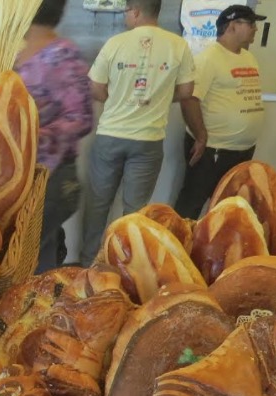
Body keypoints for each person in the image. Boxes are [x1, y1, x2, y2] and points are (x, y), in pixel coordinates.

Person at [81, 0, 195, 265]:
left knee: (98, 205)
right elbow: (188, 92)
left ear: (135, 12)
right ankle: (124, 267)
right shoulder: (178, 45)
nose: (125, 17)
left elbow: (95, 88)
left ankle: (88, 265)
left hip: (110, 135)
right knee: (134, 212)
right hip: (149, 140)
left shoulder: (116, 43)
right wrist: (159, 99)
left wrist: (118, 99)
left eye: (126, 12)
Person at [15, 0, 94, 272]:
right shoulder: (15, 50)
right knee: (24, 252)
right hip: (21, 174)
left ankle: (39, 309)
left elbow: (81, 118)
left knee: (34, 258)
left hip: (50, 177)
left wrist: (31, 134)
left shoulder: (63, 55)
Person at [174, 5, 266, 219]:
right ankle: (176, 248)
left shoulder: (249, 58)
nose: (255, 29)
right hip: (212, 149)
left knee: (227, 209)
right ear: (233, 26)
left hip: (242, 150)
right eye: (251, 24)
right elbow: (190, 99)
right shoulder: (208, 58)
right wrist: (201, 136)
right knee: (191, 204)